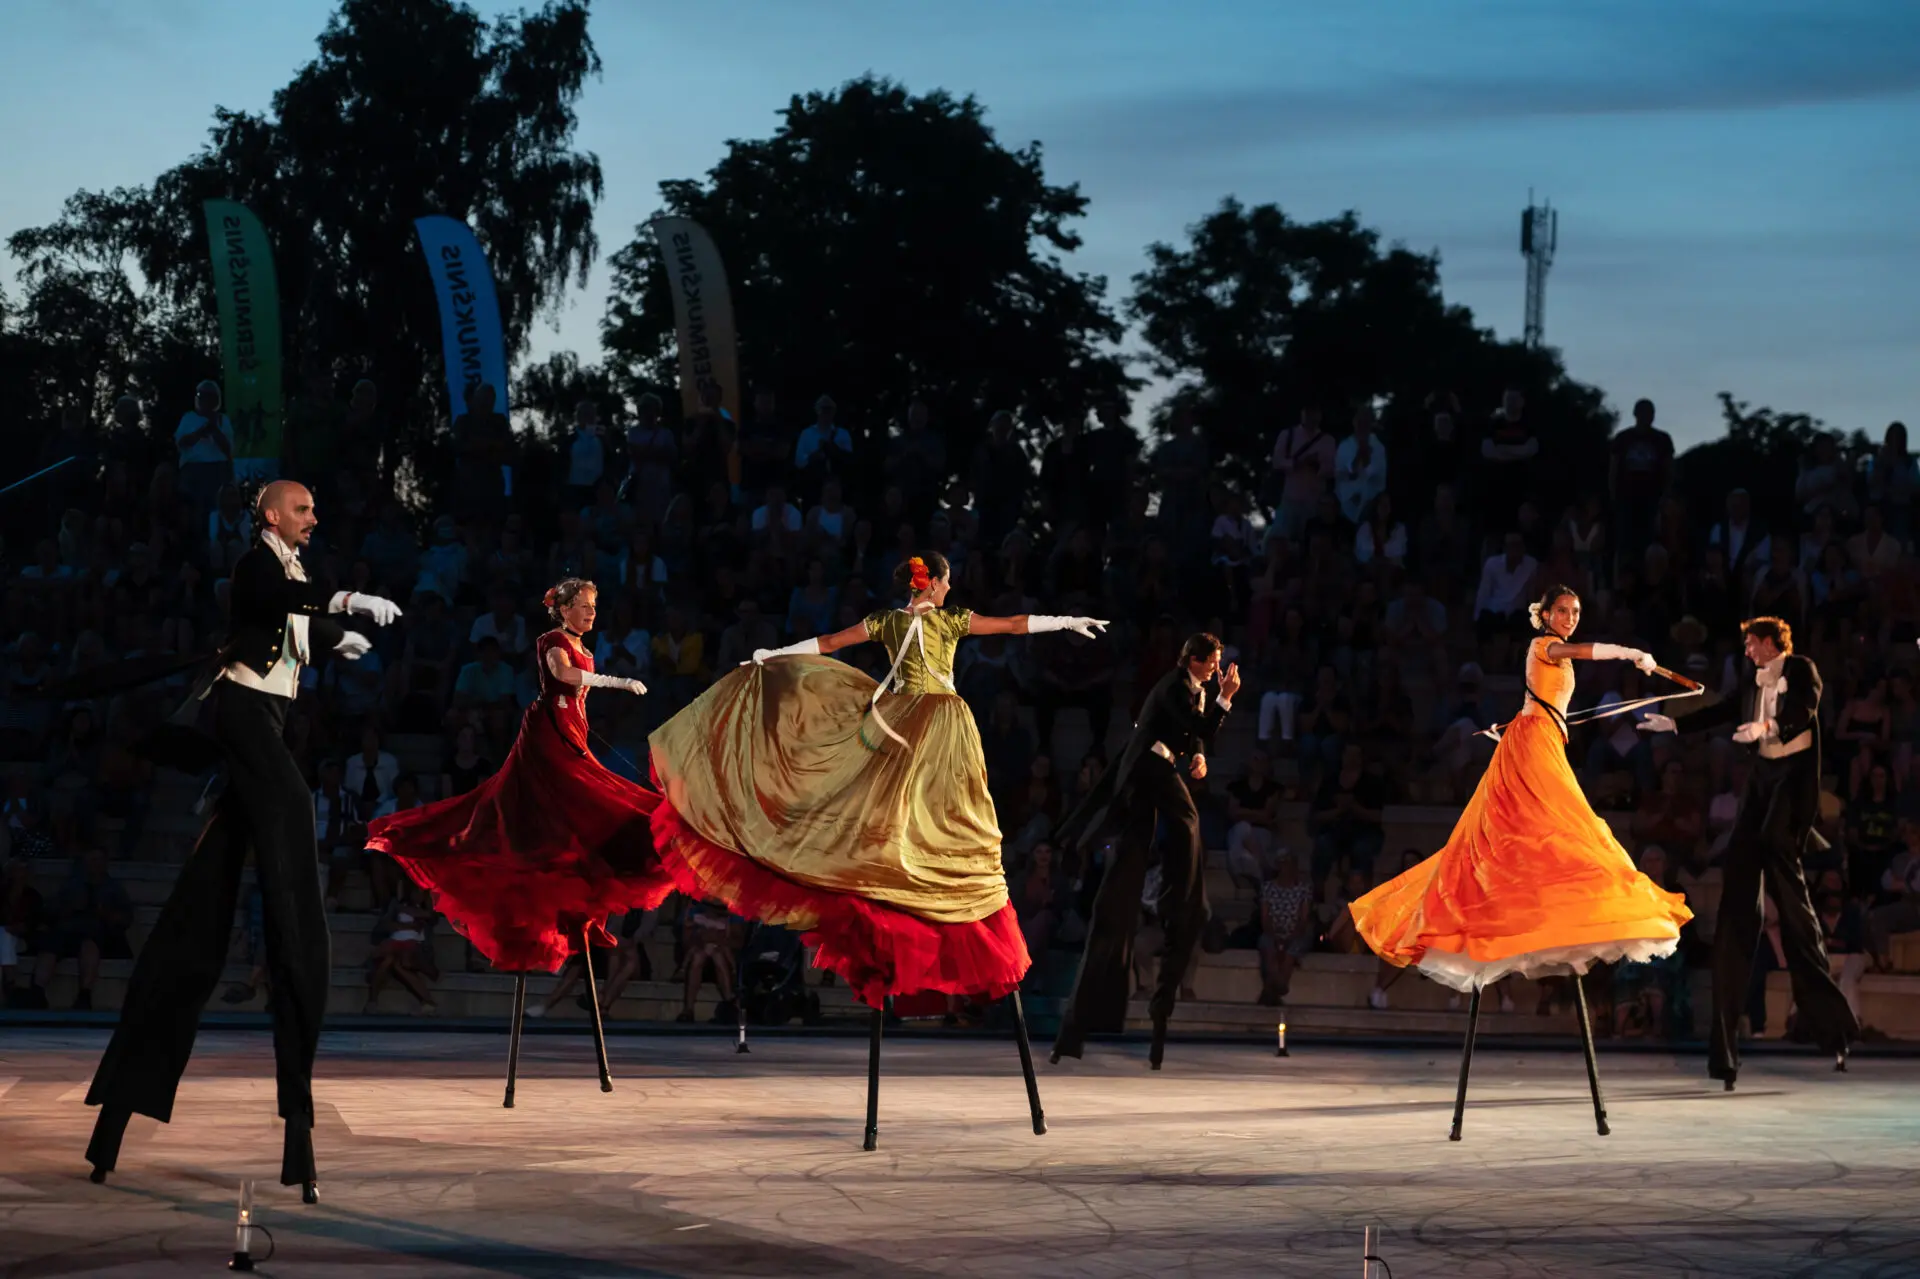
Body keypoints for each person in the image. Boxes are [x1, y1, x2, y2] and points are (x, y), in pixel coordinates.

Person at [85, 480, 403, 1198]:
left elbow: (299, 615)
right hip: (242, 716)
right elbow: (274, 604)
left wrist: (331, 631)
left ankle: (112, 1129)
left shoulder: (293, 573)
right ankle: (297, 1016)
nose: (314, 518)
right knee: (295, 833)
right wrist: (347, 605)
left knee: (197, 914)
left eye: (316, 509)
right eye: (302, 509)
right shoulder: (253, 566)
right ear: (270, 515)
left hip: (269, 722)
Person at [646, 551, 1105, 1010]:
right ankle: (916, 881)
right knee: (944, 812)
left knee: (906, 805)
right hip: (940, 721)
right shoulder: (949, 621)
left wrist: (777, 654)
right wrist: (1065, 620)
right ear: (935, 583)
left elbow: (827, 642)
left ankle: (908, 872)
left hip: (904, 718)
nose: (949, 589)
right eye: (946, 582)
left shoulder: (890, 621)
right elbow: (1011, 625)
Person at [1350, 585, 1691, 1002]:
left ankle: (1545, 906)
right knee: (1569, 825)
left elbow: (1541, 701)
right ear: (1545, 614)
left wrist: (1515, 725)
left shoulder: (1550, 650)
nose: (1570, 617)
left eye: (1576, 611)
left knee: (1547, 830)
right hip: (1535, 742)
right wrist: (1628, 652)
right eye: (1562, 610)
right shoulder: (1545, 644)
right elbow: (1579, 653)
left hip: (1539, 737)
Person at [367, 579, 667, 974]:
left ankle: (585, 917)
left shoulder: (586, 647)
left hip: (573, 731)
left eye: (594, 605)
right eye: (583, 605)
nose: (592, 612)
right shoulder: (552, 641)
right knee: (580, 809)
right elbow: (562, 676)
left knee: (578, 827)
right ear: (563, 610)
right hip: (548, 731)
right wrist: (618, 682)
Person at [1640, 616, 1859, 1085]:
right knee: (1737, 905)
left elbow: (1805, 710)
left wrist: (1768, 727)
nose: (1746, 651)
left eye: (1751, 644)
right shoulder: (1752, 679)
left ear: (1769, 643)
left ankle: (1831, 1025)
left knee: (1792, 901)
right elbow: (1721, 712)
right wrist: (1676, 726)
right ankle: (1724, 1050)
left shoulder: (1801, 669)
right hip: (1761, 788)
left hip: (1790, 791)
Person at [1050, 632, 1242, 1068]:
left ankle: (1180, 899)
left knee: (1137, 860)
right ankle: (1181, 892)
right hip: (1143, 773)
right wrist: (1225, 702)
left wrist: (1198, 757)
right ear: (1192, 660)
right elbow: (1196, 725)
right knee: (1189, 822)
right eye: (1211, 663)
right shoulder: (1173, 686)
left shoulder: (1194, 689)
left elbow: (1192, 736)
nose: (1216, 669)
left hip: (1157, 768)